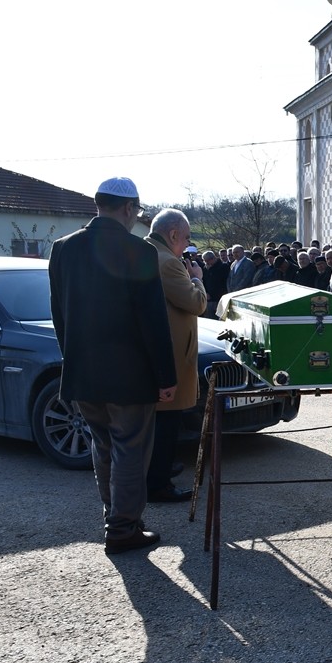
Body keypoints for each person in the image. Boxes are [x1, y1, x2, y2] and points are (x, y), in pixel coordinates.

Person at [48, 177, 176, 555]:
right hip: (129, 375)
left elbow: (60, 316)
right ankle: (122, 528)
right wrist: (166, 376)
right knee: (129, 450)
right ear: (127, 208)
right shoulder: (138, 251)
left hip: (83, 372)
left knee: (102, 446)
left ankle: (115, 518)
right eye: (136, 210)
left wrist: (71, 360)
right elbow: (153, 322)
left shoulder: (63, 249)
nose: (135, 216)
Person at [142, 209, 206, 504]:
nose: (187, 244)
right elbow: (196, 303)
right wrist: (197, 279)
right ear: (173, 235)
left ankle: (159, 469)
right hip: (172, 356)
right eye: (187, 237)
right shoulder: (168, 262)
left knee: (159, 426)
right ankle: (159, 482)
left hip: (159, 354)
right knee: (166, 425)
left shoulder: (147, 252)